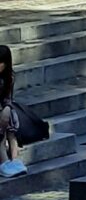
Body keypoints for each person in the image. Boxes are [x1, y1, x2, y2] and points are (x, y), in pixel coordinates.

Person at [0, 46, 52, 174]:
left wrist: (6, 108)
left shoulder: (9, 77)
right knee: (2, 133)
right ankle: (4, 162)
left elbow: (8, 97)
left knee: (11, 128)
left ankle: (15, 160)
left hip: (4, 108)